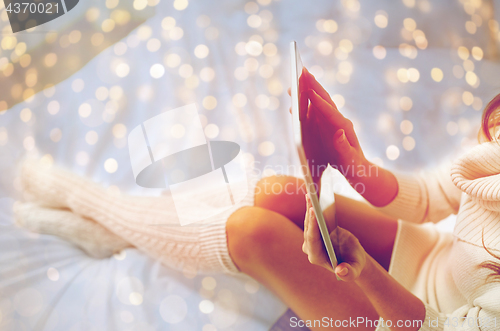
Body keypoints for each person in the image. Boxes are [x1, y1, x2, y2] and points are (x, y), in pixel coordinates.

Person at [15, 70, 500, 331]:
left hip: (411, 323)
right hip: (429, 255)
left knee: (253, 231)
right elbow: (435, 195)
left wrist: (364, 271)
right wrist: (352, 160)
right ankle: (111, 228)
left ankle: (92, 205)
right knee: (279, 192)